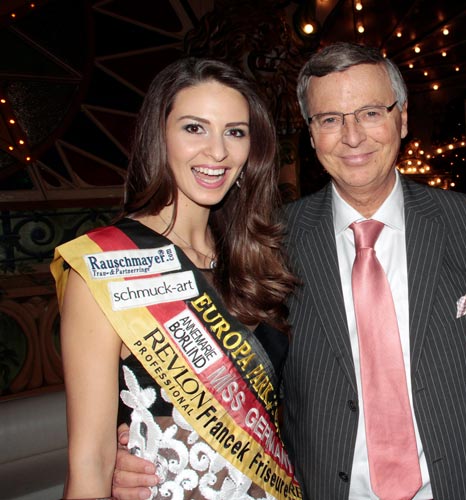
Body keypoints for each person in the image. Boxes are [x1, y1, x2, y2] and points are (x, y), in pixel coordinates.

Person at [111, 43, 466, 500]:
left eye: (371, 112)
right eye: (329, 119)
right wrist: (148, 442)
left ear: (402, 118)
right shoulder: (267, 240)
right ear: (312, 133)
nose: (352, 136)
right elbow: (224, 374)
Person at [51, 57, 299, 500]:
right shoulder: (106, 264)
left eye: (235, 132)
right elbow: (89, 462)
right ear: (159, 136)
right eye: (194, 128)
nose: (218, 152)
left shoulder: (256, 260)